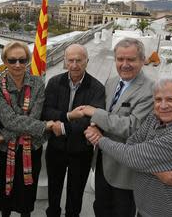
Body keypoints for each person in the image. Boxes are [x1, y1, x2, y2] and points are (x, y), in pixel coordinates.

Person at [85, 77, 172, 217]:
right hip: (147, 208)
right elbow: (131, 143)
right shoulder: (156, 117)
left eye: (170, 99)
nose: (163, 105)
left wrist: (100, 140)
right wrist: (156, 170)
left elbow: (131, 155)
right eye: (158, 99)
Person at [71, 37, 153, 217]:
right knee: (100, 208)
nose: (125, 64)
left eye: (131, 59)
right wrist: (94, 127)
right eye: (120, 59)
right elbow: (105, 111)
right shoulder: (112, 81)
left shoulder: (149, 90)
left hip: (124, 171)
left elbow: (132, 126)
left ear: (142, 60)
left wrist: (94, 114)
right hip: (102, 161)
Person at [0, 41, 58, 217]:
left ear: (28, 60)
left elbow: (32, 118)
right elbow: (9, 120)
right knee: (5, 196)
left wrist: (4, 136)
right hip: (6, 152)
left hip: (30, 149)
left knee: (26, 197)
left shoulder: (37, 83)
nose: (18, 65)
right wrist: (45, 126)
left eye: (22, 60)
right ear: (5, 61)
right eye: (12, 60)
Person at [42, 44, 105, 217]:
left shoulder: (97, 88)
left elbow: (92, 119)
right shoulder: (55, 82)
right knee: (53, 190)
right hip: (55, 148)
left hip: (81, 150)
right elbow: (46, 110)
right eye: (70, 60)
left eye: (79, 60)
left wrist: (62, 127)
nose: (74, 65)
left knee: (75, 194)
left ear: (87, 61)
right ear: (65, 61)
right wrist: (69, 115)